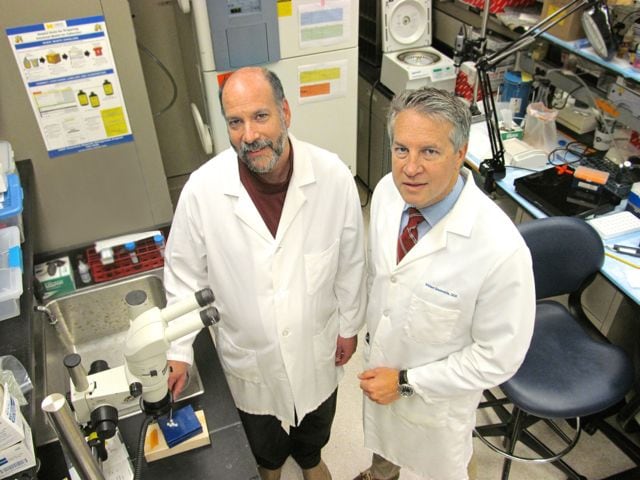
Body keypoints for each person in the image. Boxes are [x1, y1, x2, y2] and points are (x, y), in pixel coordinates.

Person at [164, 67, 366, 480]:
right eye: (235, 122)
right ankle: (271, 469)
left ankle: (311, 461)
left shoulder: (332, 177)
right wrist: (179, 351)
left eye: (260, 116)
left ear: (286, 113)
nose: (249, 135)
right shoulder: (202, 191)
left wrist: (349, 325)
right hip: (249, 356)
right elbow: (184, 276)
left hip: (318, 348)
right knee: (264, 443)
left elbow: (350, 261)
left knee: (316, 424)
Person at [355, 87, 536, 480]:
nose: (410, 167)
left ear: (460, 152)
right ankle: (380, 474)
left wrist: (405, 383)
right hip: (382, 369)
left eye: (429, 152)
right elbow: (382, 279)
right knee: (384, 446)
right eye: (401, 149)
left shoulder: (500, 249)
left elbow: (498, 357)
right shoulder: (388, 193)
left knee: (442, 465)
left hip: (437, 404)